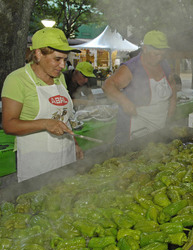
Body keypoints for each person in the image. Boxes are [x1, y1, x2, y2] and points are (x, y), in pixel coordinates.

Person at [1, 27, 84, 182]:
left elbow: (65, 118)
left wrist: (75, 144)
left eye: (65, 60)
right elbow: (9, 124)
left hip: (66, 155)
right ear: (38, 54)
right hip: (37, 162)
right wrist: (45, 123)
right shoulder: (17, 80)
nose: (62, 66)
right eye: (57, 59)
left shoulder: (59, 78)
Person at [102, 30, 177, 143]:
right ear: (145, 49)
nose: (159, 58)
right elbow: (108, 86)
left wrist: (170, 114)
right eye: (156, 54)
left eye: (162, 54)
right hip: (137, 131)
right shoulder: (131, 68)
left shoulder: (164, 65)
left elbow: (172, 88)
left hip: (160, 127)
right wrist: (124, 101)